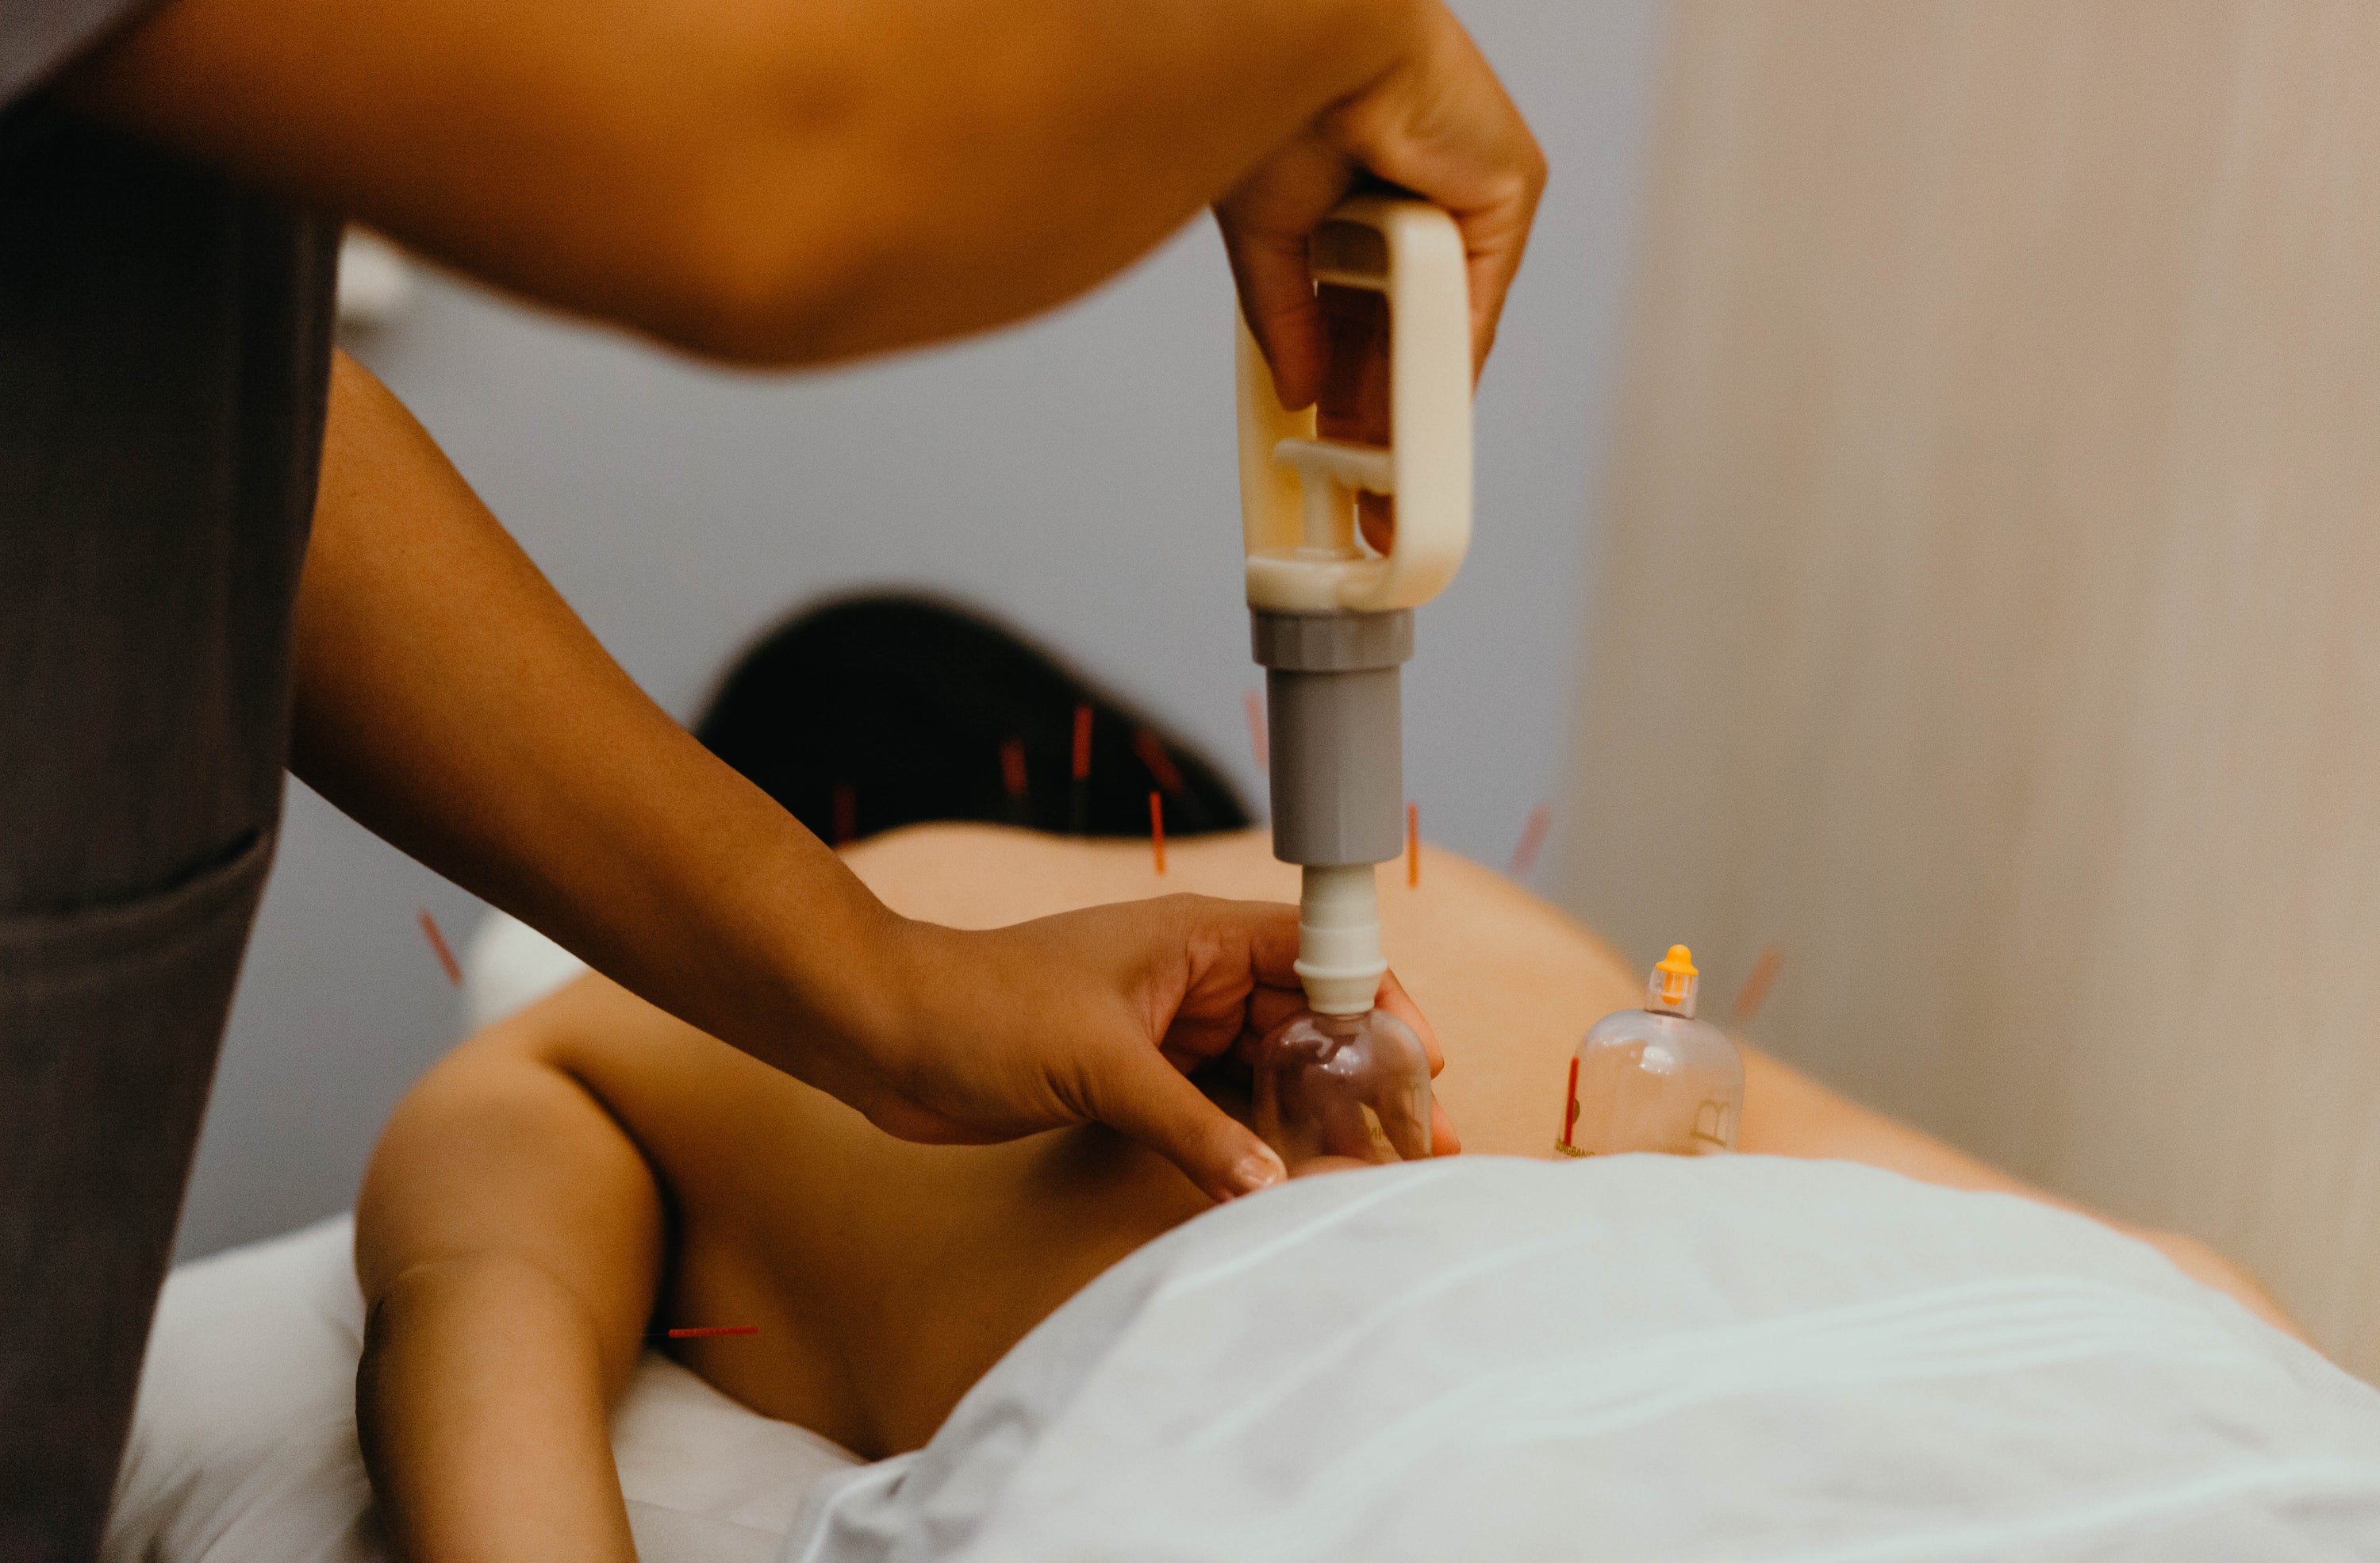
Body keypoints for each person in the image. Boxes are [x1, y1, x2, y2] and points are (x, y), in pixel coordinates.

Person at [0, 0, 1544, 1553]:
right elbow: (770, 165)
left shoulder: (652, 1034)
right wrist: (1332, 16)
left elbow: (479, 1315)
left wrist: (888, 980)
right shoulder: (1484, 921)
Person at [345, 597, 2308, 1558]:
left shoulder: (617, 1018)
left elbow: (478, 1338)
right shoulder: (1479, 912)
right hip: (2108, 1408)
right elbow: (2165, 1280)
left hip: (1393, 1433)